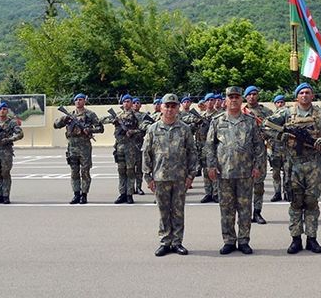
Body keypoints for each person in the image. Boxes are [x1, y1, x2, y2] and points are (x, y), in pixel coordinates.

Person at [265, 82, 321, 255]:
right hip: (293, 163)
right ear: (297, 96)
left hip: (313, 163)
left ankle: (312, 239)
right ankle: (295, 239)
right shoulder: (286, 112)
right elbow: (267, 125)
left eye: (308, 92)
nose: (305, 95)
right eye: (301, 92)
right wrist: (281, 135)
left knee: (312, 201)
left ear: (313, 96)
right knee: (295, 201)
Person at [207, 86, 265, 255]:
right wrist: (211, 166)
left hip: (245, 173)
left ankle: (244, 240)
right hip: (224, 173)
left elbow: (258, 146)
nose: (233, 100)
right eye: (230, 97)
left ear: (241, 100)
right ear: (226, 100)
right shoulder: (217, 121)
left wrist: (258, 166)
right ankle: (229, 241)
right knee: (226, 209)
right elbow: (210, 146)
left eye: (236, 97)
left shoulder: (250, 121)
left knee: (245, 209)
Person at [142, 93, 198, 256]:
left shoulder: (185, 129)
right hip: (160, 178)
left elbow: (192, 153)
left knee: (178, 211)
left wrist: (190, 176)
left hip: (180, 178)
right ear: (161, 107)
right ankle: (165, 241)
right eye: (167, 106)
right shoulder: (153, 129)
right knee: (164, 211)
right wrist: (148, 177)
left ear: (178, 108)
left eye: (174, 106)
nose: (170, 109)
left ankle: (177, 242)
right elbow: (146, 154)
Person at [54, 93, 104, 204]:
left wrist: (89, 130)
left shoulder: (90, 114)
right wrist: (64, 119)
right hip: (72, 146)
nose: (78, 102)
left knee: (85, 171)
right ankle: (76, 194)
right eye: (76, 100)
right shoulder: (70, 115)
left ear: (84, 101)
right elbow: (56, 125)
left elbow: (100, 128)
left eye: (80, 99)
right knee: (74, 172)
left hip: (84, 147)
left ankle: (84, 195)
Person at [242, 85, 272, 224]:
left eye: (254, 94)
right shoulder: (241, 112)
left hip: (260, 152)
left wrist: (265, 133)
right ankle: (245, 213)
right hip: (244, 154)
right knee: (244, 186)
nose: (252, 96)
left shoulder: (266, 112)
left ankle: (257, 212)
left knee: (258, 185)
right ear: (245, 97)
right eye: (249, 94)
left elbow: (273, 129)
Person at [105, 94, 141, 204]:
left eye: (129, 101)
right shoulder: (118, 115)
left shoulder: (137, 115)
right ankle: (122, 194)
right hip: (120, 146)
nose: (126, 103)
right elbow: (102, 120)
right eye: (124, 101)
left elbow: (144, 128)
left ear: (131, 103)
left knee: (130, 170)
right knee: (121, 170)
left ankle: (130, 194)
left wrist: (133, 132)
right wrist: (113, 120)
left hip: (131, 147)